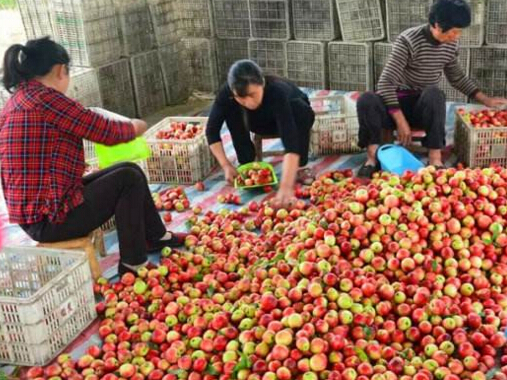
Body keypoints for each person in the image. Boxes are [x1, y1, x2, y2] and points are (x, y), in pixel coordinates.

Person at [0, 37, 185, 276]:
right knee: (128, 180)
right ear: (60, 70)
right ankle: (133, 264)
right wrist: (135, 126)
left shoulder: (18, 100)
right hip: (51, 219)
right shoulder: (47, 100)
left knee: (130, 170)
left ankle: (156, 237)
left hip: (38, 212)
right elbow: (104, 131)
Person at [357, 0, 507, 178]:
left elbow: (457, 77)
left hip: (422, 107)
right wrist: (400, 121)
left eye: (459, 31)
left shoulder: (450, 45)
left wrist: (485, 99)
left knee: (435, 94)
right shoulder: (408, 40)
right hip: (395, 104)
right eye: (454, 31)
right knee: (366, 99)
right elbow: (385, 83)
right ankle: (372, 157)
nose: (456, 36)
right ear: (437, 25)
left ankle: (435, 157)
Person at [206, 60, 316, 207]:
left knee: (300, 110)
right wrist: (225, 165)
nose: (248, 102)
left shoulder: (277, 91)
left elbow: (290, 140)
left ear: (262, 83)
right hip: (259, 121)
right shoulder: (228, 94)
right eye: (241, 97)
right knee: (231, 109)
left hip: (291, 116)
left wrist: (285, 186)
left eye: (252, 94)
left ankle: (301, 166)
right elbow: (211, 131)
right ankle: (247, 161)